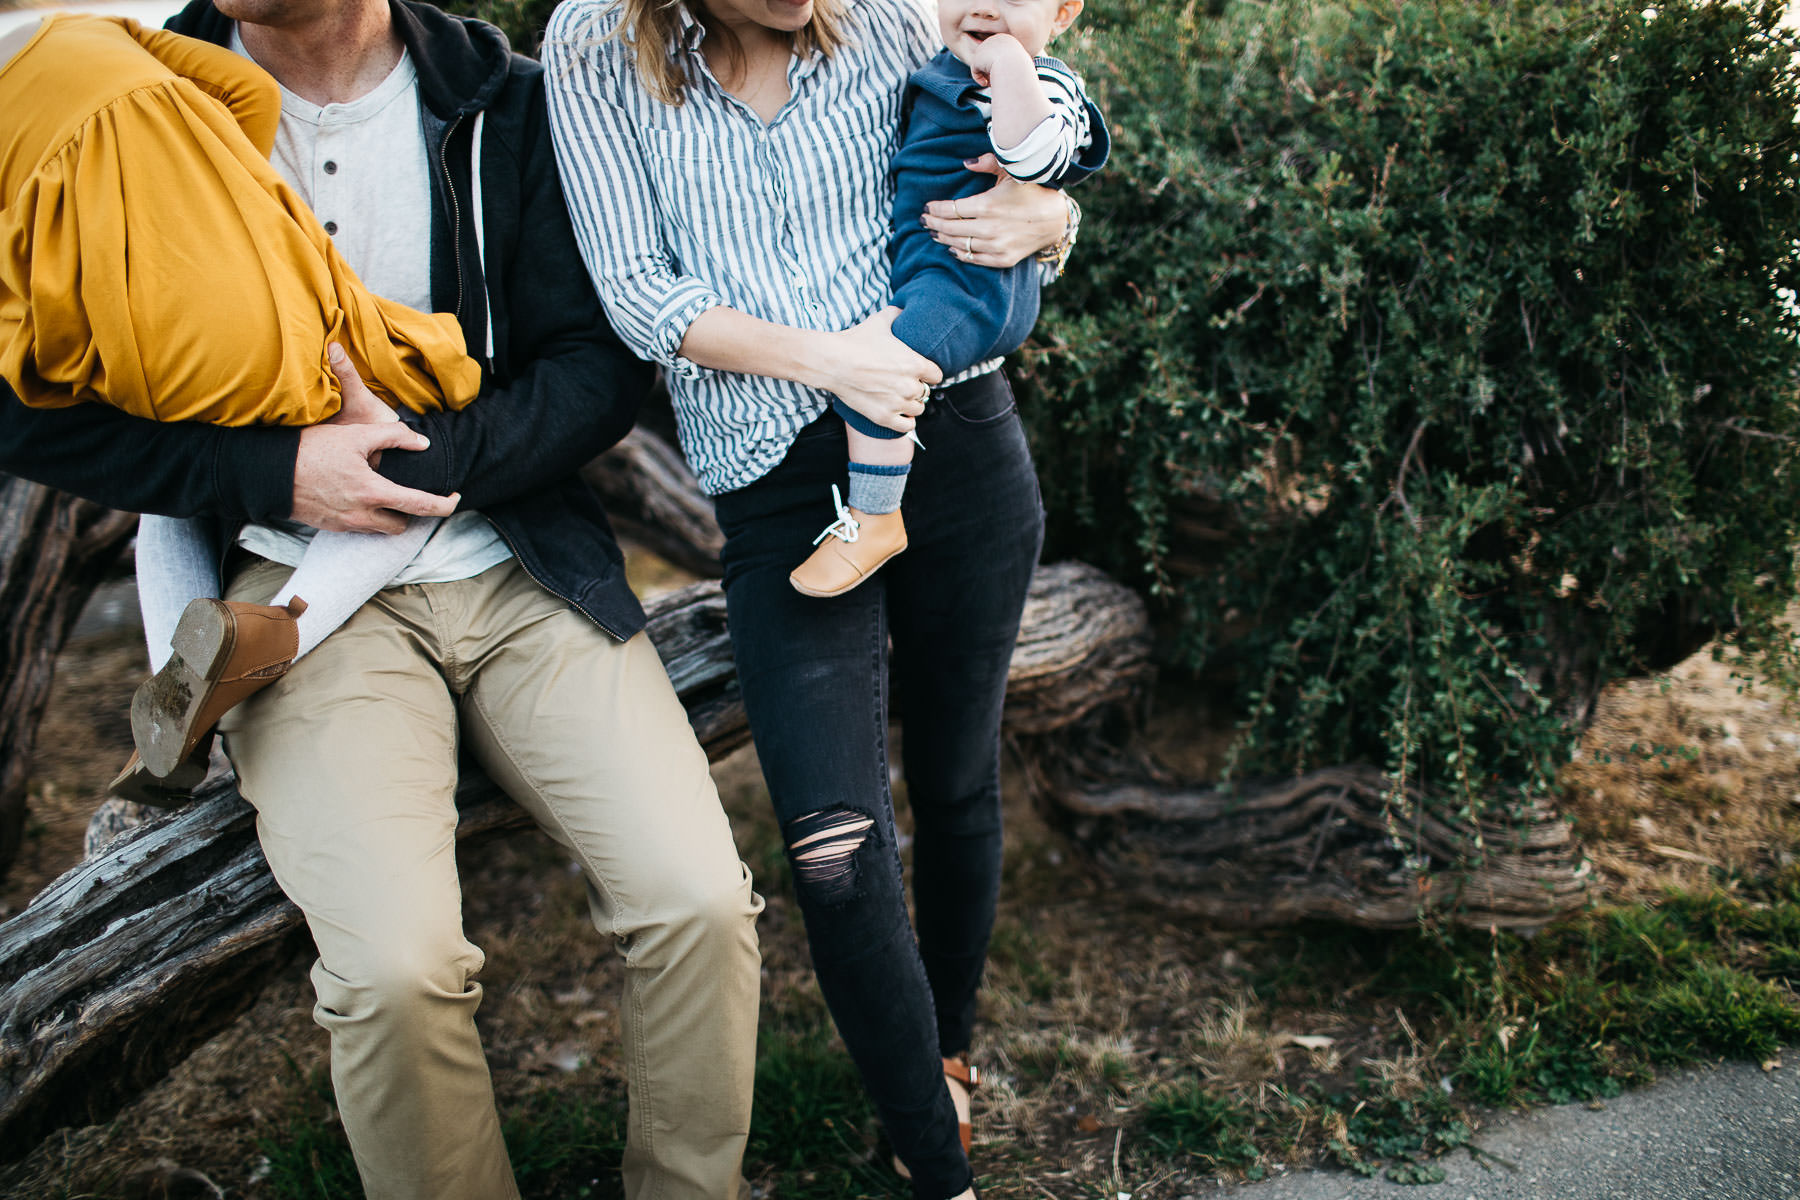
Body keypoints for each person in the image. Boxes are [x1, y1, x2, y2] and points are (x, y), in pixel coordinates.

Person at [0, 3, 763, 1199]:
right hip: (293, 595)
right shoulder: (130, 103)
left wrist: (416, 468)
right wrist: (277, 473)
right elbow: (26, 409)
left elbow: (594, 368)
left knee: (699, 905)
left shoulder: (507, 101)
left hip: (516, 563)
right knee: (396, 975)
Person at [543, 1, 1099, 1196]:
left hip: (958, 438)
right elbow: (638, 294)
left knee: (956, 781)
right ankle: (935, 1146)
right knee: (837, 853)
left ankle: (940, 1079)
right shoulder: (590, 45)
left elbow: (1014, 134)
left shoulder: (891, 10)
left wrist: (1053, 222)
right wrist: (834, 361)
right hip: (779, 487)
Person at [0, 13, 486, 794]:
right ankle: (284, 628)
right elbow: (247, 93)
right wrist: (219, 191)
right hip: (245, 322)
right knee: (404, 443)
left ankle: (171, 693)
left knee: (178, 473)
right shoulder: (74, 31)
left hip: (127, 339)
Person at [788, 0, 1105, 598]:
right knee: (873, 363)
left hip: (974, 287)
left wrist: (1010, 66)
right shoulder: (943, 63)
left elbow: (1042, 158)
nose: (984, 7)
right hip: (933, 273)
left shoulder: (1046, 82)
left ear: (1062, 14)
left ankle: (875, 516)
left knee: (880, 369)